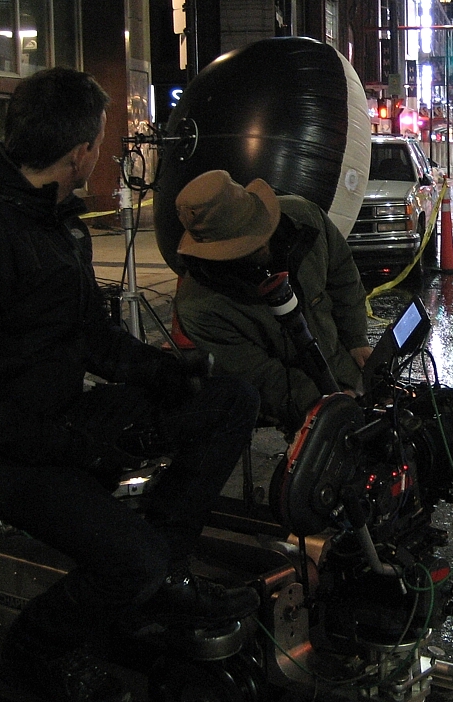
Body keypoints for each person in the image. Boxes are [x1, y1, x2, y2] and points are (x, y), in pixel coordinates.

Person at [0, 68, 260, 702]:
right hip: (18, 452)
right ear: (81, 150)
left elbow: (91, 336)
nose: (104, 154)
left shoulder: (60, 223)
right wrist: (77, 450)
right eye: (101, 142)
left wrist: (165, 372)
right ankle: (30, 652)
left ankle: (163, 581)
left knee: (228, 401)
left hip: (63, 421)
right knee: (131, 559)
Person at [174, 169, 372, 436]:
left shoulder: (305, 220)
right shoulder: (200, 306)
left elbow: (343, 275)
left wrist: (356, 338)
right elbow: (259, 374)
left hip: (344, 364)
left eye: (258, 230)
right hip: (299, 399)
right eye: (245, 244)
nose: (261, 244)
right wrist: (323, 403)